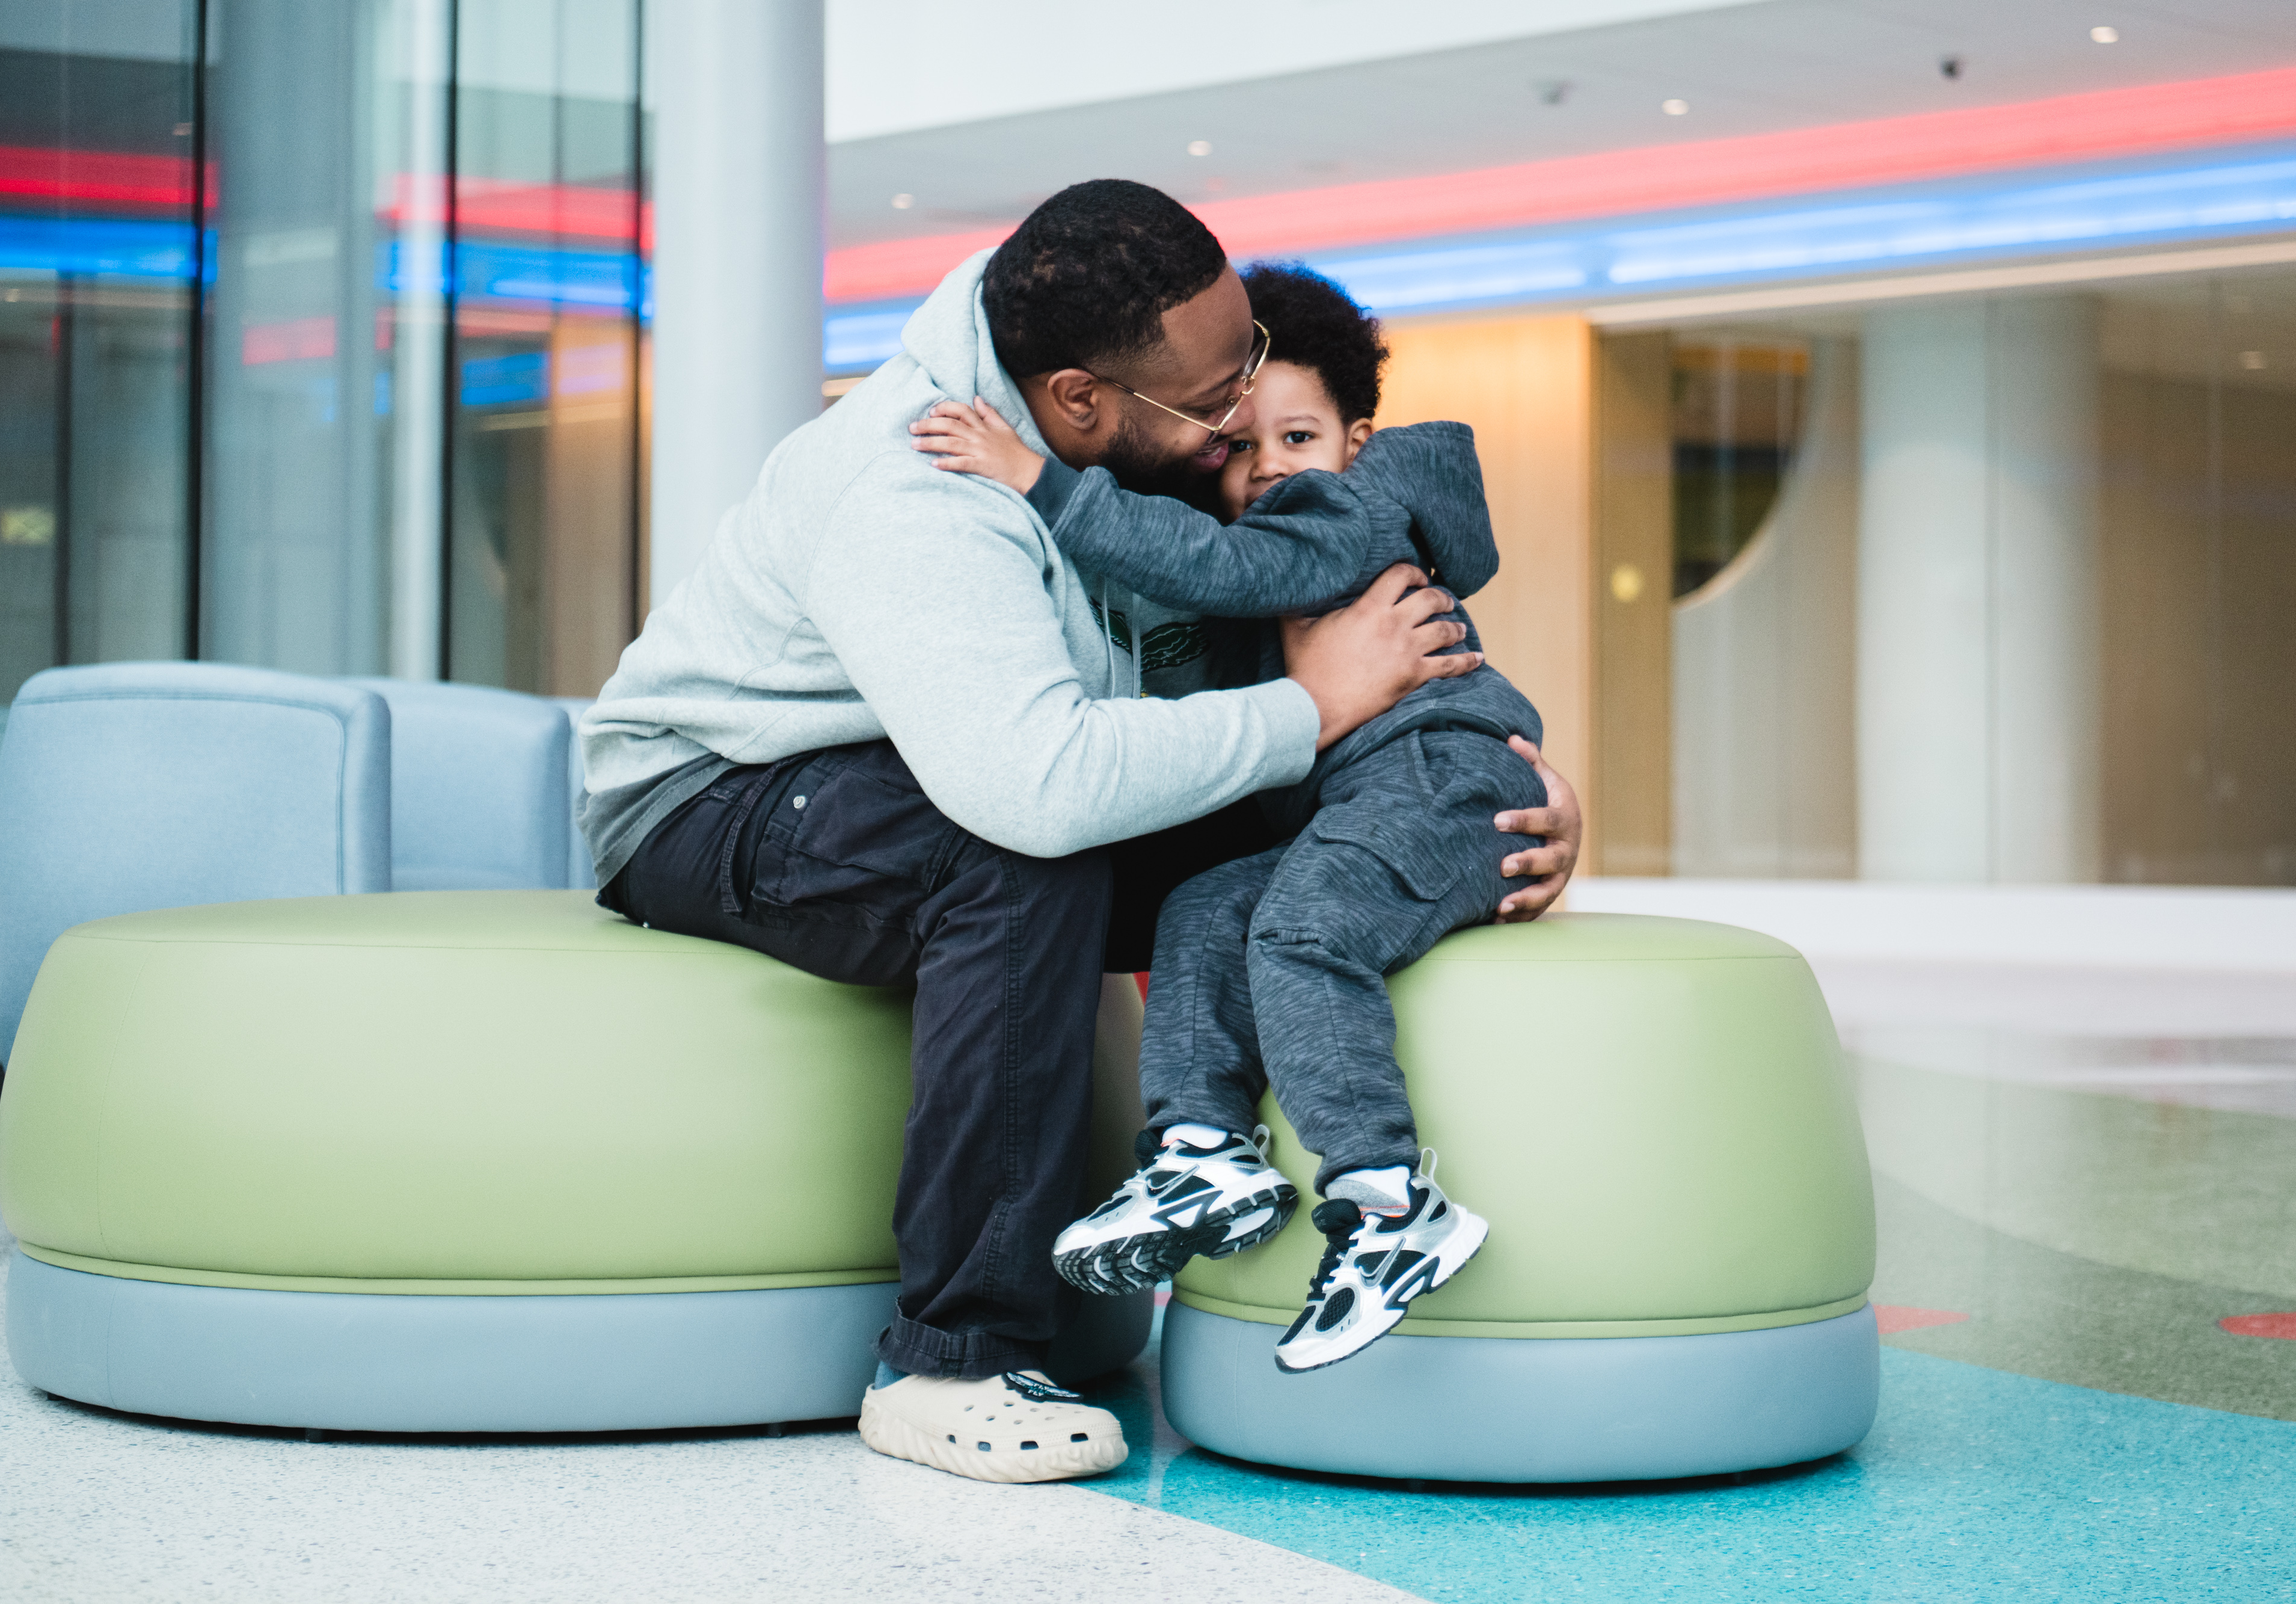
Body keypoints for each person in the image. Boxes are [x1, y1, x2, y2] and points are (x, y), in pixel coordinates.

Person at [580, 182, 1582, 1485]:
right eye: (1216, 398)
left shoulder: (1151, 453)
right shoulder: (913, 483)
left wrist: (1492, 803)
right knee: (1007, 856)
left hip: (958, 756)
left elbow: (1235, 745)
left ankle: (1201, 1167)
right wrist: (1316, 701)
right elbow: (1036, 788)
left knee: (1272, 858)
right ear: (1075, 403)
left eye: (1254, 372)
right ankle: (950, 1362)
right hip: (715, 794)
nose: (1243, 419)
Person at [910, 262, 1545, 1372]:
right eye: (1239, 447)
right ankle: (1200, 1150)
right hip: (1365, 806)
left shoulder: (1350, 507)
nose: (1266, 472)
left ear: (1357, 437)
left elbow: (1210, 559)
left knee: (1302, 932)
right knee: (1206, 910)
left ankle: (1388, 1206)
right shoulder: (1279, 534)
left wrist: (1035, 483)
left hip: (1443, 783)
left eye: (1296, 437)